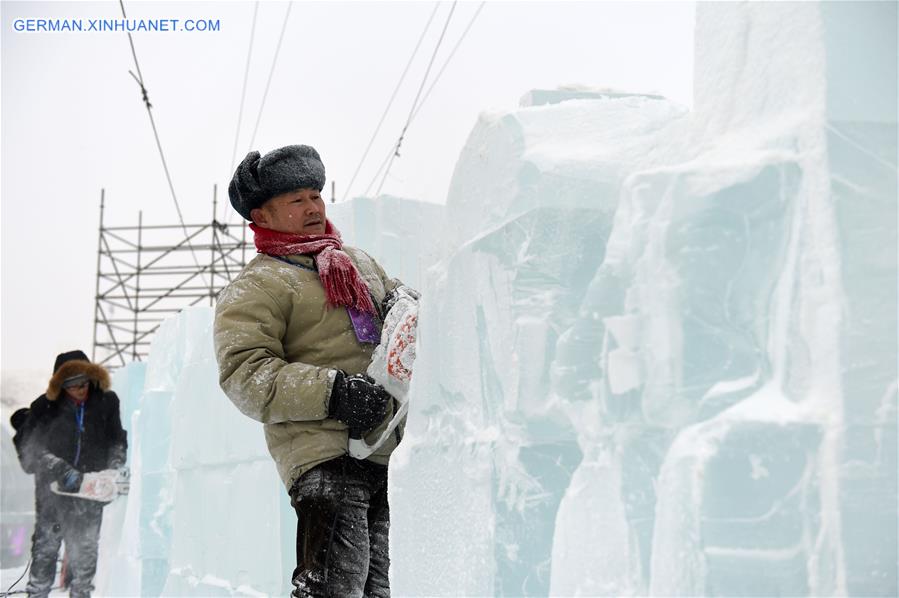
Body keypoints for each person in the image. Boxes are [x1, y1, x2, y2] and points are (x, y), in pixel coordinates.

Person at [214, 144, 412, 597]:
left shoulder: (357, 263)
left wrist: (407, 305)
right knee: (333, 585)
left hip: (383, 448)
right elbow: (245, 375)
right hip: (321, 453)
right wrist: (334, 391)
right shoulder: (256, 285)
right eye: (296, 200)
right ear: (261, 215)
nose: (312, 208)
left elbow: (401, 309)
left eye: (315, 196)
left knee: (379, 588)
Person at [13, 350, 127, 598]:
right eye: (73, 385)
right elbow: (29, 449)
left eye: (84, 382)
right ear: (60, 385)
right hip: (52, 497)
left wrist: (115, 466)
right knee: (45, 554)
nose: (80, 388)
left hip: (89, 495)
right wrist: (58, 467)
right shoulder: (44, 408)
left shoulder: (107, 402)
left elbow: (117, 440)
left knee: (84, 561)